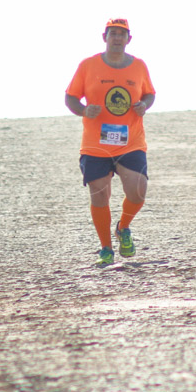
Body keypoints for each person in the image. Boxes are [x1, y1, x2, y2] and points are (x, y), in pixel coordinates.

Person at [65, 18, 156, 265]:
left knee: (137, 192)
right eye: (113, 33)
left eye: (122, 34)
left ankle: (123, 227)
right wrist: (83, 111)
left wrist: (144, 105)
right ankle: (105, 247)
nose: (117, 38)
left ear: (129, 39)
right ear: (104, 37)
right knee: (99, 195)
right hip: (96, 144)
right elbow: (71, 97)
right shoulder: (88, 65)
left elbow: (149, 93)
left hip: (131, 142)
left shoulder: (139, 66)